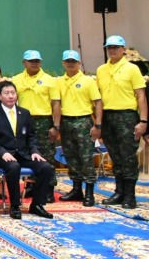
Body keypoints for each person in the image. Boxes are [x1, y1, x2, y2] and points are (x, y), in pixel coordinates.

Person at [0, 81, 55, 219]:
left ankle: (37, 205)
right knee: (14, 167)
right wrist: (2, 153)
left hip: (23, 153)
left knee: (46, 167)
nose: (11, 96)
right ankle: (15, 206)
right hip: (3, 155)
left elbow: (31, 136)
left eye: (13, 93)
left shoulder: (25, 113)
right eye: (7, 93)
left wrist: (34, 151)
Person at [96, 35, 148, 209]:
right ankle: (119, 192)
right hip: (108, 117)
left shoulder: (132, 69)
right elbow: (100, 99)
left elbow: (141, 96)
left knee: (128, 157)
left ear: (123, 49)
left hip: (127, 116)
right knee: (115, 156)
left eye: (115, 47)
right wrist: (99, 122)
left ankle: (130, 195)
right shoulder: (101, 70)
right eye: (109, 47)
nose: (112, 50)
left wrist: (143, 121)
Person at [11, 50, 60, 202]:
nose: (34, 63)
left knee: (46, 155)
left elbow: (56, 104)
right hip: (23, 121)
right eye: (31, 61)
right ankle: (31, 186)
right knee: (27, 154)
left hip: (44, 120)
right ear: (23, 62)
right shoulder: (16, 79)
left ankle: (48, 189)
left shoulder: (50, 80)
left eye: (37, 61)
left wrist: (56, 126)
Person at [55, 50, 102, 207]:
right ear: (63, 63)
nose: (70, 64)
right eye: (67, 61)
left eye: (73, 61)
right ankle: (76, 189)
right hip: (66, 122)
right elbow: (56, 104)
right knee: (71, 156)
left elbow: (98, 103)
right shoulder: (59, 81)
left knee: (86, 158)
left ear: (79, 63)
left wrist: (98, 125)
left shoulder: (88, 81)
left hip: (83, 121)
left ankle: (89, 192)